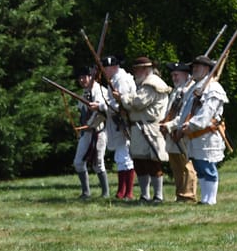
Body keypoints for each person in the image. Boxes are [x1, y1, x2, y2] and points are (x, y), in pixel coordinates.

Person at [176, 55, 230, 205]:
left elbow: (207, 113)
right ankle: (205, 198)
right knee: (200, 166)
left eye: (198, 67)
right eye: (194, 67)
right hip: (195, 134)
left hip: (206, 134)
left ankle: (210, 199)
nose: (195, 69)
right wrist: (182, 125)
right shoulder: (196, 87)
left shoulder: (214, 88)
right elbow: (187, 108)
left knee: (207, 166)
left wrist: (191, 125)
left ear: (207, 69)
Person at [120, 57, 171, 203]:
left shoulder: (151, 84)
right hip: (139, 127)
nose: (135, 72)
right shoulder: (144, 84)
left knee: (153, 162)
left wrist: (123, 98)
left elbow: (138, 103)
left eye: (138, 69)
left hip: (150, 128)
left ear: (145, 69)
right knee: (139, 161)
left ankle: (158, 195)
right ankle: (144, 194)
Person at [94, 55, 136, 200]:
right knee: (120, 157)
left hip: (122, 121)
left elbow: (122, 104)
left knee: (125, 156)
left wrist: (100, 106)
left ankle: (127, 192)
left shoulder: (121, 80)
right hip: (117, 121)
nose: (104, 71)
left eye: (105, 68)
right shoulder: (116, 79)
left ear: (113, 67)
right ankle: (122, 190)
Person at [161, 62, 198, 203]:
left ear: (186, 75)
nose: (174, 78)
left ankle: (188, 195)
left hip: (181, 133)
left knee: (187, 166)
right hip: (171, 134)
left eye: (176, 75)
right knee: (177, 167)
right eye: (172, 75)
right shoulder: (177, 91)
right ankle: (180, 194)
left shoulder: (190, 91)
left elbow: (184, 115)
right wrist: (164, 123)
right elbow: (170, 111)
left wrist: (169, 125)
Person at [72, 66, 108, 199]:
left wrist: (90, 125)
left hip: (98, 132)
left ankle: (105, 193)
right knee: (78, 162)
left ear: (91, 76)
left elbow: (102, 113)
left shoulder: (100, 91)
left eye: (84, 77)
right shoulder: (84, 93)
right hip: (85, 133)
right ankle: (86, 192)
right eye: (80, 78)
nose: (82, 80)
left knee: (98, 163)